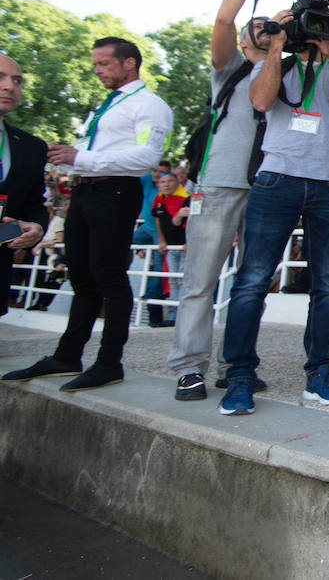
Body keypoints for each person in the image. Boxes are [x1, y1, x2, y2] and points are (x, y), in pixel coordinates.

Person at [217, 0, 329, 416]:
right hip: (277, 178)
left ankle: (320, 374)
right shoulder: (272, 62)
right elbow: (261, 102)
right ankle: (239, 376)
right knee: (251, 282)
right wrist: (278, 45)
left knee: (327, 286)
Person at [4, 39, 172, 391]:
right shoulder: (107, 105)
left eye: (104, 64)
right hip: (85, 191)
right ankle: (67, 354)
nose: (96, 71)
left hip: (114, 192)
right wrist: (68, 152)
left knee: (109, 276)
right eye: (95, 64)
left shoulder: (149, 105)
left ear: (129, 63)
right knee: (80, 275)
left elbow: (146, 157)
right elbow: (96, 146)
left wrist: (79, 158)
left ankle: (109, 362)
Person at [167, 0, 274, 402]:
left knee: (255, 282)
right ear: (247, 39)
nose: (266, 29)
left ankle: (237, 363)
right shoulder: (229, 69)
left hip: (270, 185)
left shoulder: (285, 71)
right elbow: (223, 22)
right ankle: (190, 366)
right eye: (260, 26)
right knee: (201, 277)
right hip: (220, 182)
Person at [0, 55, 50, 318]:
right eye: (1, 77)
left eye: (17, 80)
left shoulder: (31, 146)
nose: (10, 86)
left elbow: (34, 204)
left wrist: (36, 227)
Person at [146, 171, 189, 327]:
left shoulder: (186, 197)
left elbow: (192, 221)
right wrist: (162, 240)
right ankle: (172, 315)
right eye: (162, 182)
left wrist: (189, 241)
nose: (166, 184)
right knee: (173, 280)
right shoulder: (158, 199)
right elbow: (158, 221)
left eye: (170, 181)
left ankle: (180, 316)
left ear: (177, 182)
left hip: (185, 247)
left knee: (183, 280)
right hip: (171, 247)